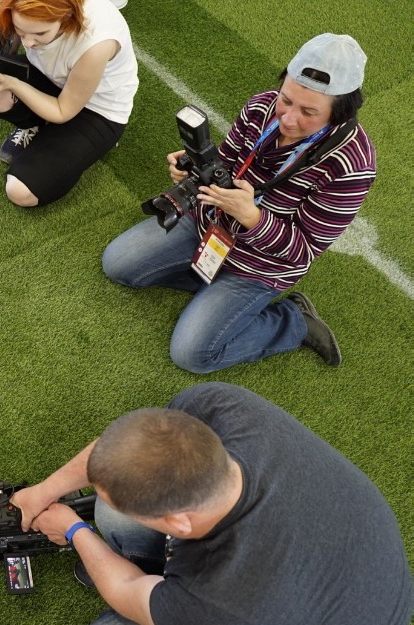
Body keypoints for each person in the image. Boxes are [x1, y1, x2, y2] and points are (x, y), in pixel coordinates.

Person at [11, 382, 412, 625]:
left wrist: (73, 528)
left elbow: (127, 589)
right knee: (113, 517)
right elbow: (124, 450)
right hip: (336, 570)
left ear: (179, 522)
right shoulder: (222, 406)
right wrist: (44, 492)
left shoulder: (225, 609)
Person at [102, 34, 376, 372]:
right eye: (286, 100)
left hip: (260, 266)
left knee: (192, 354)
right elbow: (227, 163)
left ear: (340, 113)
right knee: (118, 265)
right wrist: (193, 172)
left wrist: (252, 218)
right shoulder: (262, 106)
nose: (288, 119)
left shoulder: (352, 165)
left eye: (308, 112)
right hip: (209, 226)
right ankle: (208, 282)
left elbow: (302, 251)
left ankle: (294, 321)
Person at [0, 0, 138, 207]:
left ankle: (95, 141)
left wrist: (15, 84)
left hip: (97, 111)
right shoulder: (19, 7)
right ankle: (36, 124)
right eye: (21, 30)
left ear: (67, 17)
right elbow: (8, 40)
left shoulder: (96, 43)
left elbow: (63, 111)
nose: (28, 43)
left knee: (19, 191)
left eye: (40, 34)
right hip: (52, 79)